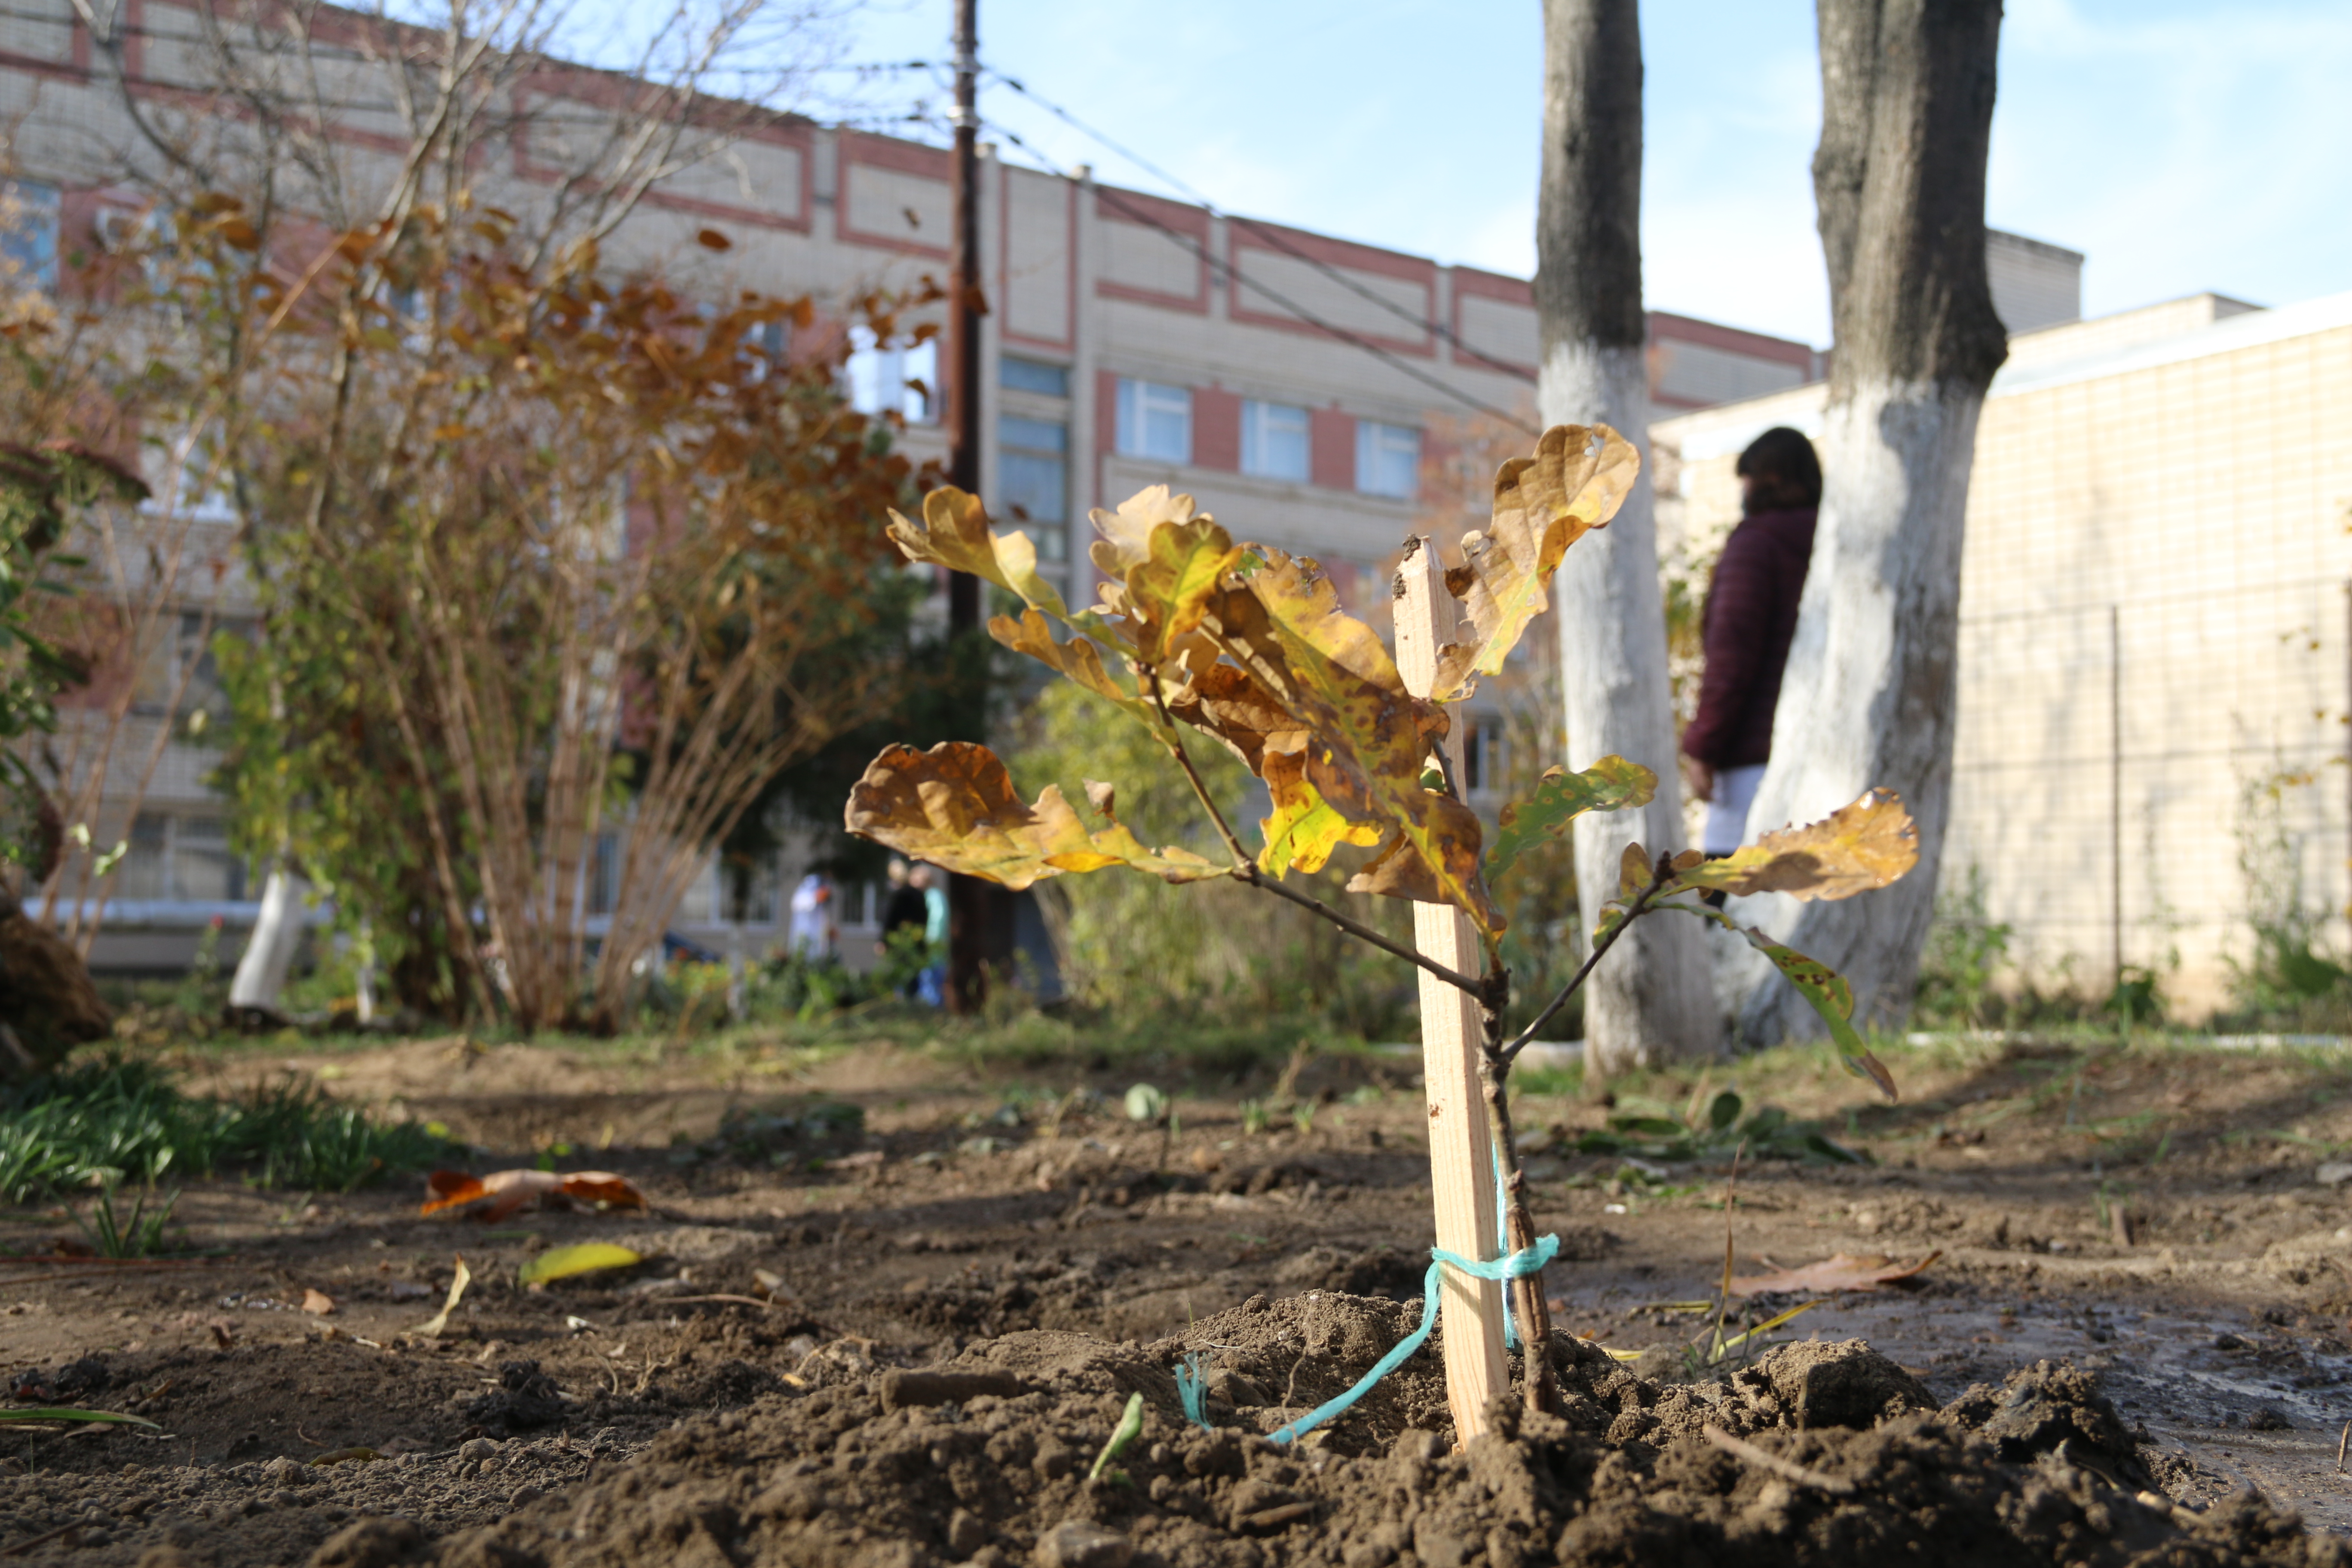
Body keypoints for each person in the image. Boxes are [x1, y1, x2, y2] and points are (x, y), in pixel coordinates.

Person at [1681, 426, 1823, 863]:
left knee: (1730, 910)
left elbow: (1731, 655)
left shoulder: (1756, 545)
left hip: (1750, 764)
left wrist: (1703, 747)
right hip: (1820, 756)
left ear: (1770, 481)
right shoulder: (1834, 544)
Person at [787, 870, 836, 961]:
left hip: (819, 943)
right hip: (804, 940)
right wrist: (816, 897)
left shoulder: (823, 905)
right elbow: (799, 903)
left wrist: (830, 929)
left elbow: (824, 919)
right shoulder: (803, 895)